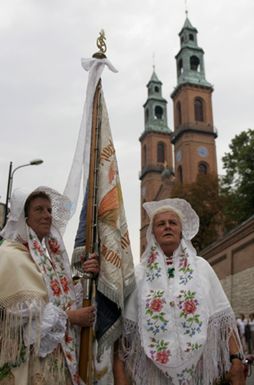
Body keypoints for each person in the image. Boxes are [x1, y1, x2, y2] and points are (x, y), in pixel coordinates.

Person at [119, 198, 246, 385]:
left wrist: (236, 358)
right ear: (153, 233)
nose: (167, 227)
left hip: (200, 373)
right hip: (153, 375)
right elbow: (126, 334)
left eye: (173, 223)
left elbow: (223, 319)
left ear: (181, 231)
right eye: (161, 224)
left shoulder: (201, 267)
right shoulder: (138, 274)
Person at [0, 186, 99, 385]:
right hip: (26, 364)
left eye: (49, 210)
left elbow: (60, 299)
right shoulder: (9, 255)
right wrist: (69, 317)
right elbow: (19, 318)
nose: (47, 215)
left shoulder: (43, 258)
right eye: (39, 209)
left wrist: (89, 275)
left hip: (53, 363)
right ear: (23, 217)